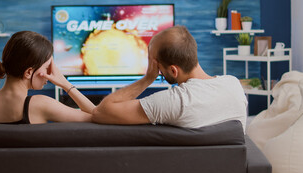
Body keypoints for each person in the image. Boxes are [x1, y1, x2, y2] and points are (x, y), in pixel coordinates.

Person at [92, 25, 248, 132]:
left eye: (156, 67)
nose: (156, 71)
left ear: (173, 70)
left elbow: (101, 112)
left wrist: (148, 78)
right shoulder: (233, 84)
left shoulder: (175, 101)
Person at [0, 31, 95, 124]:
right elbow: (99, 116)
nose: (50, 73)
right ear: (28, 72)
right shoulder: (40, 104)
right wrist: (65, 83)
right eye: (48, 67)